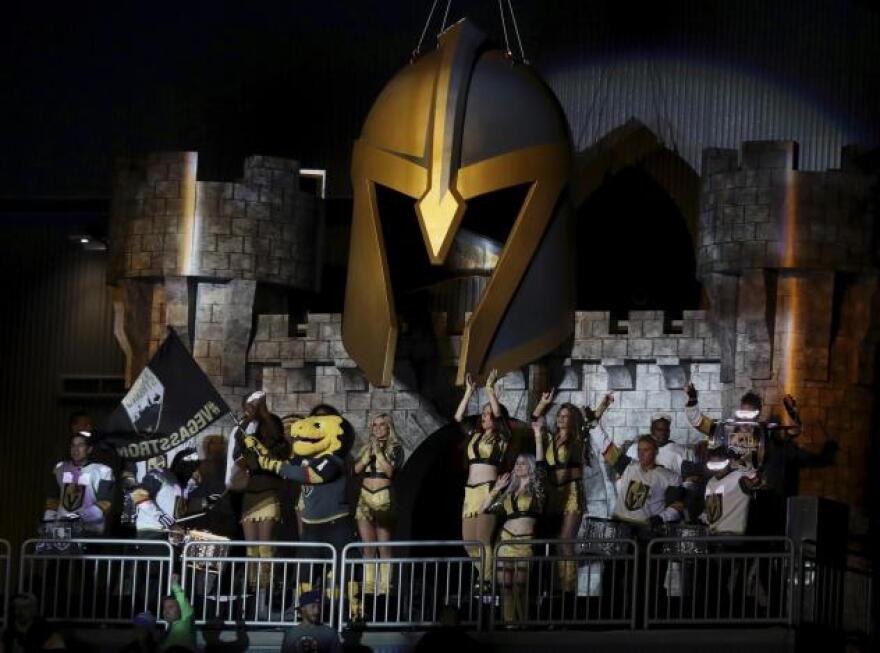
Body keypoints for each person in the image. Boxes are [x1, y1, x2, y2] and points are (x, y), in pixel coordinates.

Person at [531, 390, 613, 592]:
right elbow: (534, 419)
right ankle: (556, 587)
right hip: (552, 494)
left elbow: (591, 421)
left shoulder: (578, 439)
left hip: (571, 493)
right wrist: (543, 403)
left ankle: (568, 591)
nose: (561, 418)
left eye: (566, 416)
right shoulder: (550, 438)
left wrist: (604, 403)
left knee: (565, 541)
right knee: (554, 542)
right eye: (559, 415)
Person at [481, 420, 546, 623]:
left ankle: (523, 624)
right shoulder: (508, 493)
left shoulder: (537, 490)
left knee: (520, 587)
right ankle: (509, 625)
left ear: (530, 467)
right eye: (517, 464)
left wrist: (537, 435)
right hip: (505, 542)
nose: (518, 467)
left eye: (523, 463)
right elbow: (484, 508)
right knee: (506, 587)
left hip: (525, 543)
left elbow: (542, 466)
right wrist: (497, 488)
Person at [453, 369, 512, 587]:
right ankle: (488, 575)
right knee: (469, 543)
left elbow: (499, 416)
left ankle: (486, 580)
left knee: (483, 539)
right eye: (484, 413)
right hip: (471, 491)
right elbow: (458, 418)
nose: (485, 416)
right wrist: (469, 392)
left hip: (489, 488)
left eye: (488, 414)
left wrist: (490, 390)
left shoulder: (502, 438)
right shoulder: (475, 435)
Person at [232, 391, 290, 601]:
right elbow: (238, 449)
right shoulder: (245, 425)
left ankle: (266, 591)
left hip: (268, 489)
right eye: (252, 403)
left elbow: (278, 440)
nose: (256, 406)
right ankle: (253, 590)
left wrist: (264, 414)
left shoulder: (271, 421)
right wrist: (248, 420)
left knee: (265, 546)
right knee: (251, 548)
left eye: (259, 403)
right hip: (250, 491)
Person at [353, 413, 404, 595]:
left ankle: (384, 589)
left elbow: (391, 472)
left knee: (384, 546)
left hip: (384, 498)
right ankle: (367, 587)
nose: (378, 428)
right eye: (374, 425)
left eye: (382, 425)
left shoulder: (396, 448)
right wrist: (367, 456)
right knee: (368, 546)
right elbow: (355, 470)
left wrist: (379, 453)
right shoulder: (366, 448)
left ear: (389, 427)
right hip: (364, 497)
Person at [43, 432, 115, 536]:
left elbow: (105, 503)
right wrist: (48, 523)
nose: (75, 449)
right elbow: (53, 498)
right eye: (73, 445)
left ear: (89, 449)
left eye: (80, 445)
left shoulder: (103, 471)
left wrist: (79, 517)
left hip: (90, 530)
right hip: (61, 529)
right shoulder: (60, 468)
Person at [612, 436, 684, 529]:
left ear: (656, 451)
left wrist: (661, 517)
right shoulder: (629, 467)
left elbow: (678, 506)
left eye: (646, 450)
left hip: (645, 530)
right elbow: (607, 450)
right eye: (639, 450)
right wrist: (594, 427)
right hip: (619, 525)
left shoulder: (669, 477)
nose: (641, 454)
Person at [131, 454, 183, 539]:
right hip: (151, 531)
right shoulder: (156, 474)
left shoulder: (176, 480)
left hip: (166, 531)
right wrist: (168, 522)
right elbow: (139, 496)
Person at [1, 593, 65, 651]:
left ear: (34, 610)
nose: (20, 611)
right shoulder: (10, 631)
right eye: (17, 607)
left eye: (25, 607)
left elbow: (58, 646)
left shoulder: (45, 629)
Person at [159, 574, 195, 652]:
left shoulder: (185, 619)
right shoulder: (170, 628)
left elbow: (181, 600)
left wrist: (174, 585)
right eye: (164, 608)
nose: (166, 611)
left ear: (181, 609)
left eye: (171, 607)